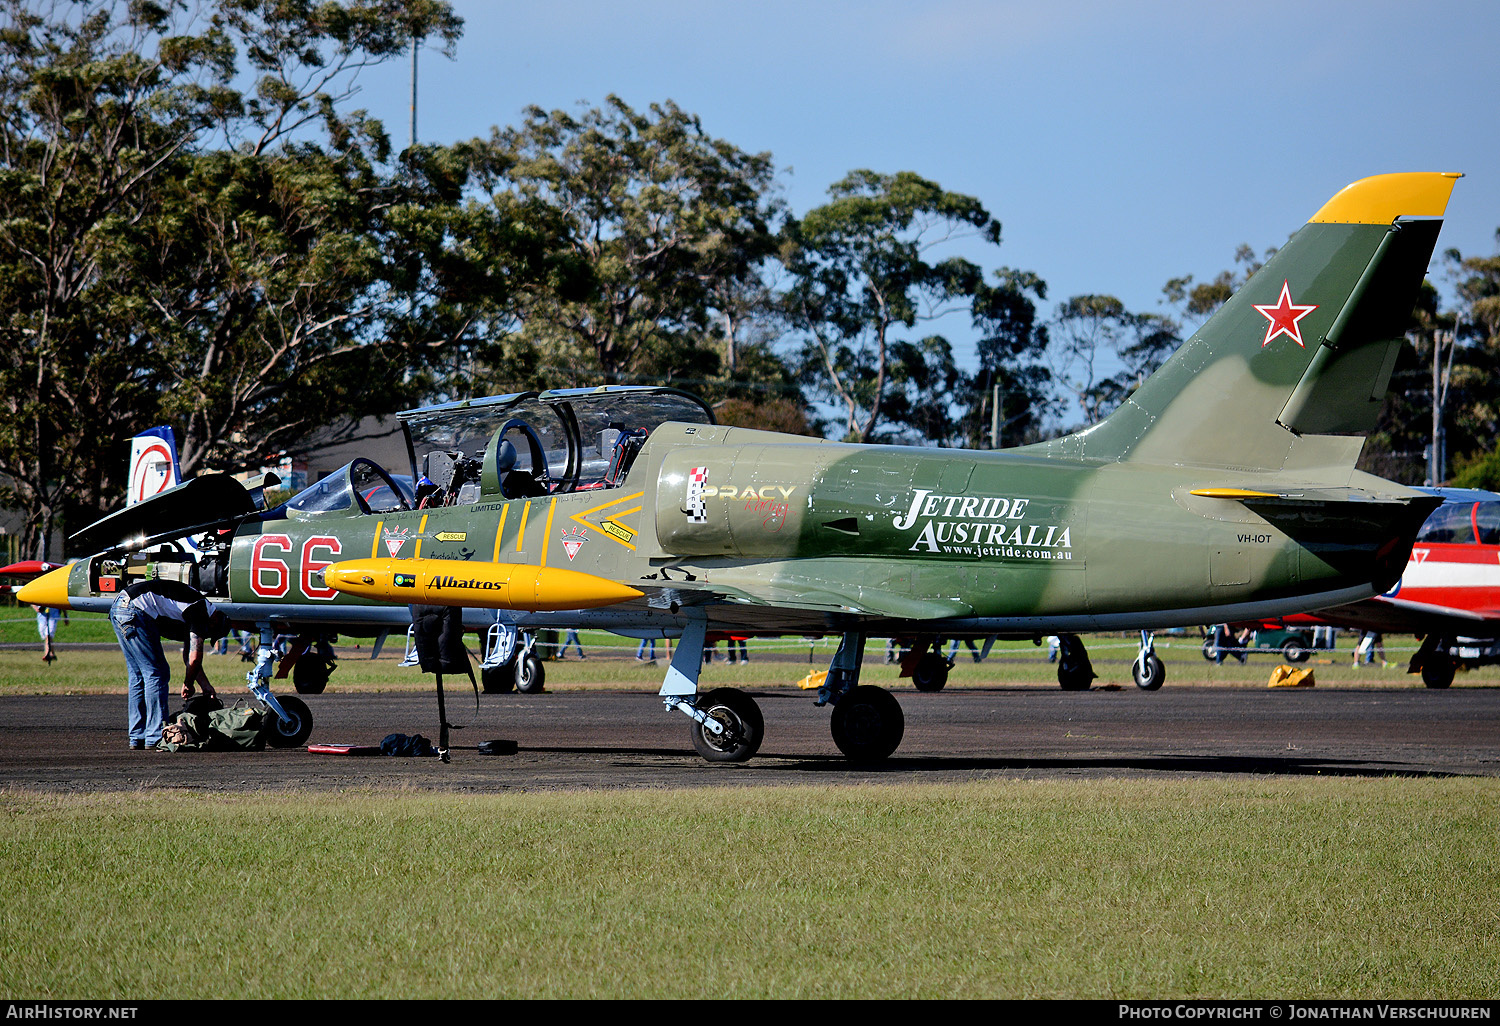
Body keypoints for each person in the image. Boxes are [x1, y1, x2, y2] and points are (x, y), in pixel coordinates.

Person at [111, 578, 230, 750]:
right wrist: (188, 684)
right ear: (214, 621)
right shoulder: (200, 611)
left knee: (138, 675)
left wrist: (205, 685)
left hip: (120, 606)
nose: (207, 635)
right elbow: (195, 658)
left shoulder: (196, 609)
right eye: (210, 633)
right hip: (136, 610)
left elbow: (189, 658)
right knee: (157, 673)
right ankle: (155, 736)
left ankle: (137, 736)